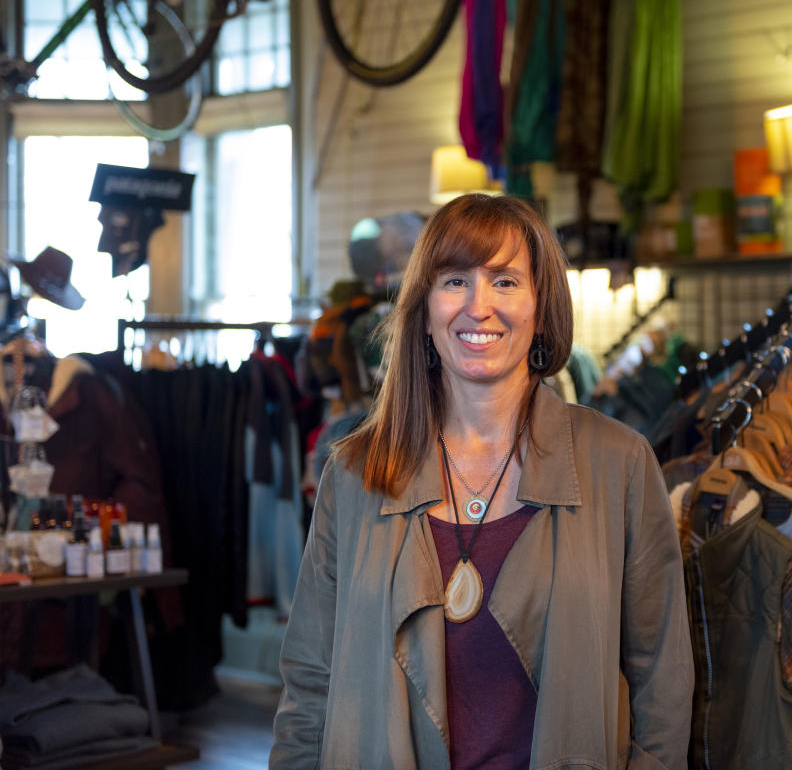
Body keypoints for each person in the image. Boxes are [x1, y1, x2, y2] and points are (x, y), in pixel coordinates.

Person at [270, 194, 693, 769]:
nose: (478, 306)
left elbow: (661, 680)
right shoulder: (353, 475)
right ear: (424, 309)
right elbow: (310, 683)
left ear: (541, 307)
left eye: (505, 281)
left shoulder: (618, 464)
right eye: (454, 281)